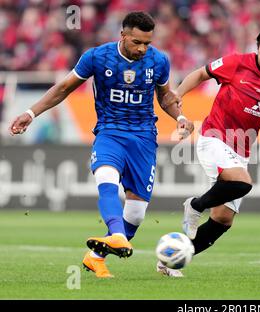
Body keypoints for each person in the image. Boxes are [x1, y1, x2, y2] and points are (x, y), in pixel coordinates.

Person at [8, 12, 194, 278]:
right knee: (106, 177)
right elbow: (63, 88)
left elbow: (165, 98)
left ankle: (96, 257)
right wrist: (31, 113)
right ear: (123, 35)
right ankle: (117, 234)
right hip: (110, 132)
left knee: (137, 213)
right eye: (137, 42)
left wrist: (181, 117)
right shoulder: (97, 57)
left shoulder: (159, 60)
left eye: (146, 43)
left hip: (143, 138)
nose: (142, 48)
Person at [171, 25, 260, 267]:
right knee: (242, 182)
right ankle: (195, 205)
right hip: (213, 137)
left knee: (223, 219)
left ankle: (174, 259)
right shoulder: (237, 63)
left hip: (241, 150)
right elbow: (200, 74)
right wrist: (178, 93)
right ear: (258, 48)